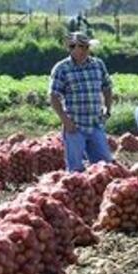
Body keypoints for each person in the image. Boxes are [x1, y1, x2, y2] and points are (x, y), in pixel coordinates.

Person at [49, 32, 114, 172]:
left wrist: (107, 109)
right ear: (71, 48)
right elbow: (54, 96)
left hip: (96, 123)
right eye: (81, 47)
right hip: (75, 126)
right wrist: (65, 120)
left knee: (105, 165)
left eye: (86, 47)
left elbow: (107, 87)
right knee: (76, 169)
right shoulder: (62, 68)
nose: (84, 50)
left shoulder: (98, 64)